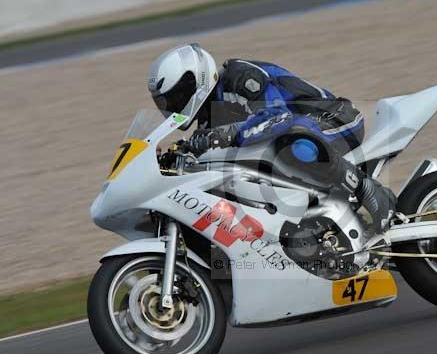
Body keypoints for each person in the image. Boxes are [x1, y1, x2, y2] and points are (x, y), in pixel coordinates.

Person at [148, 43, 396, 232]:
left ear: (196, 80)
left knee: (291, 143)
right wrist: (177, 153)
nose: (173, 104)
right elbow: (212, 148)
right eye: (166, 101)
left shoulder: (241, 78)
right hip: (306, 137)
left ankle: (367, 189)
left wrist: (227, 134)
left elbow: (278, 119)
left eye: (177, 95)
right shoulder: (208, 117)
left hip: (336, 119)